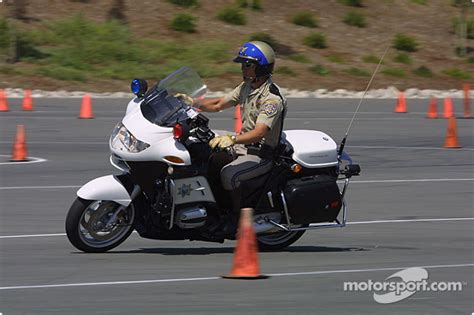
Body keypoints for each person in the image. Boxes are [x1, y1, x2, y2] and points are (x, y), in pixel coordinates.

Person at [195, 41, 287, 236]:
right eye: (243, 64)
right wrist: (190, 103)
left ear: (261, 67)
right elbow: (219, 103)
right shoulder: (246, 87)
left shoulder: (272, 99)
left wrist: (233, 139)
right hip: (243, 145)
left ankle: (235, 219)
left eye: (247, 64)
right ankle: (213, 206)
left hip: (260, 153)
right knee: (203, 143)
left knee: (230, 175)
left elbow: (260, 132)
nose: (243, 68)